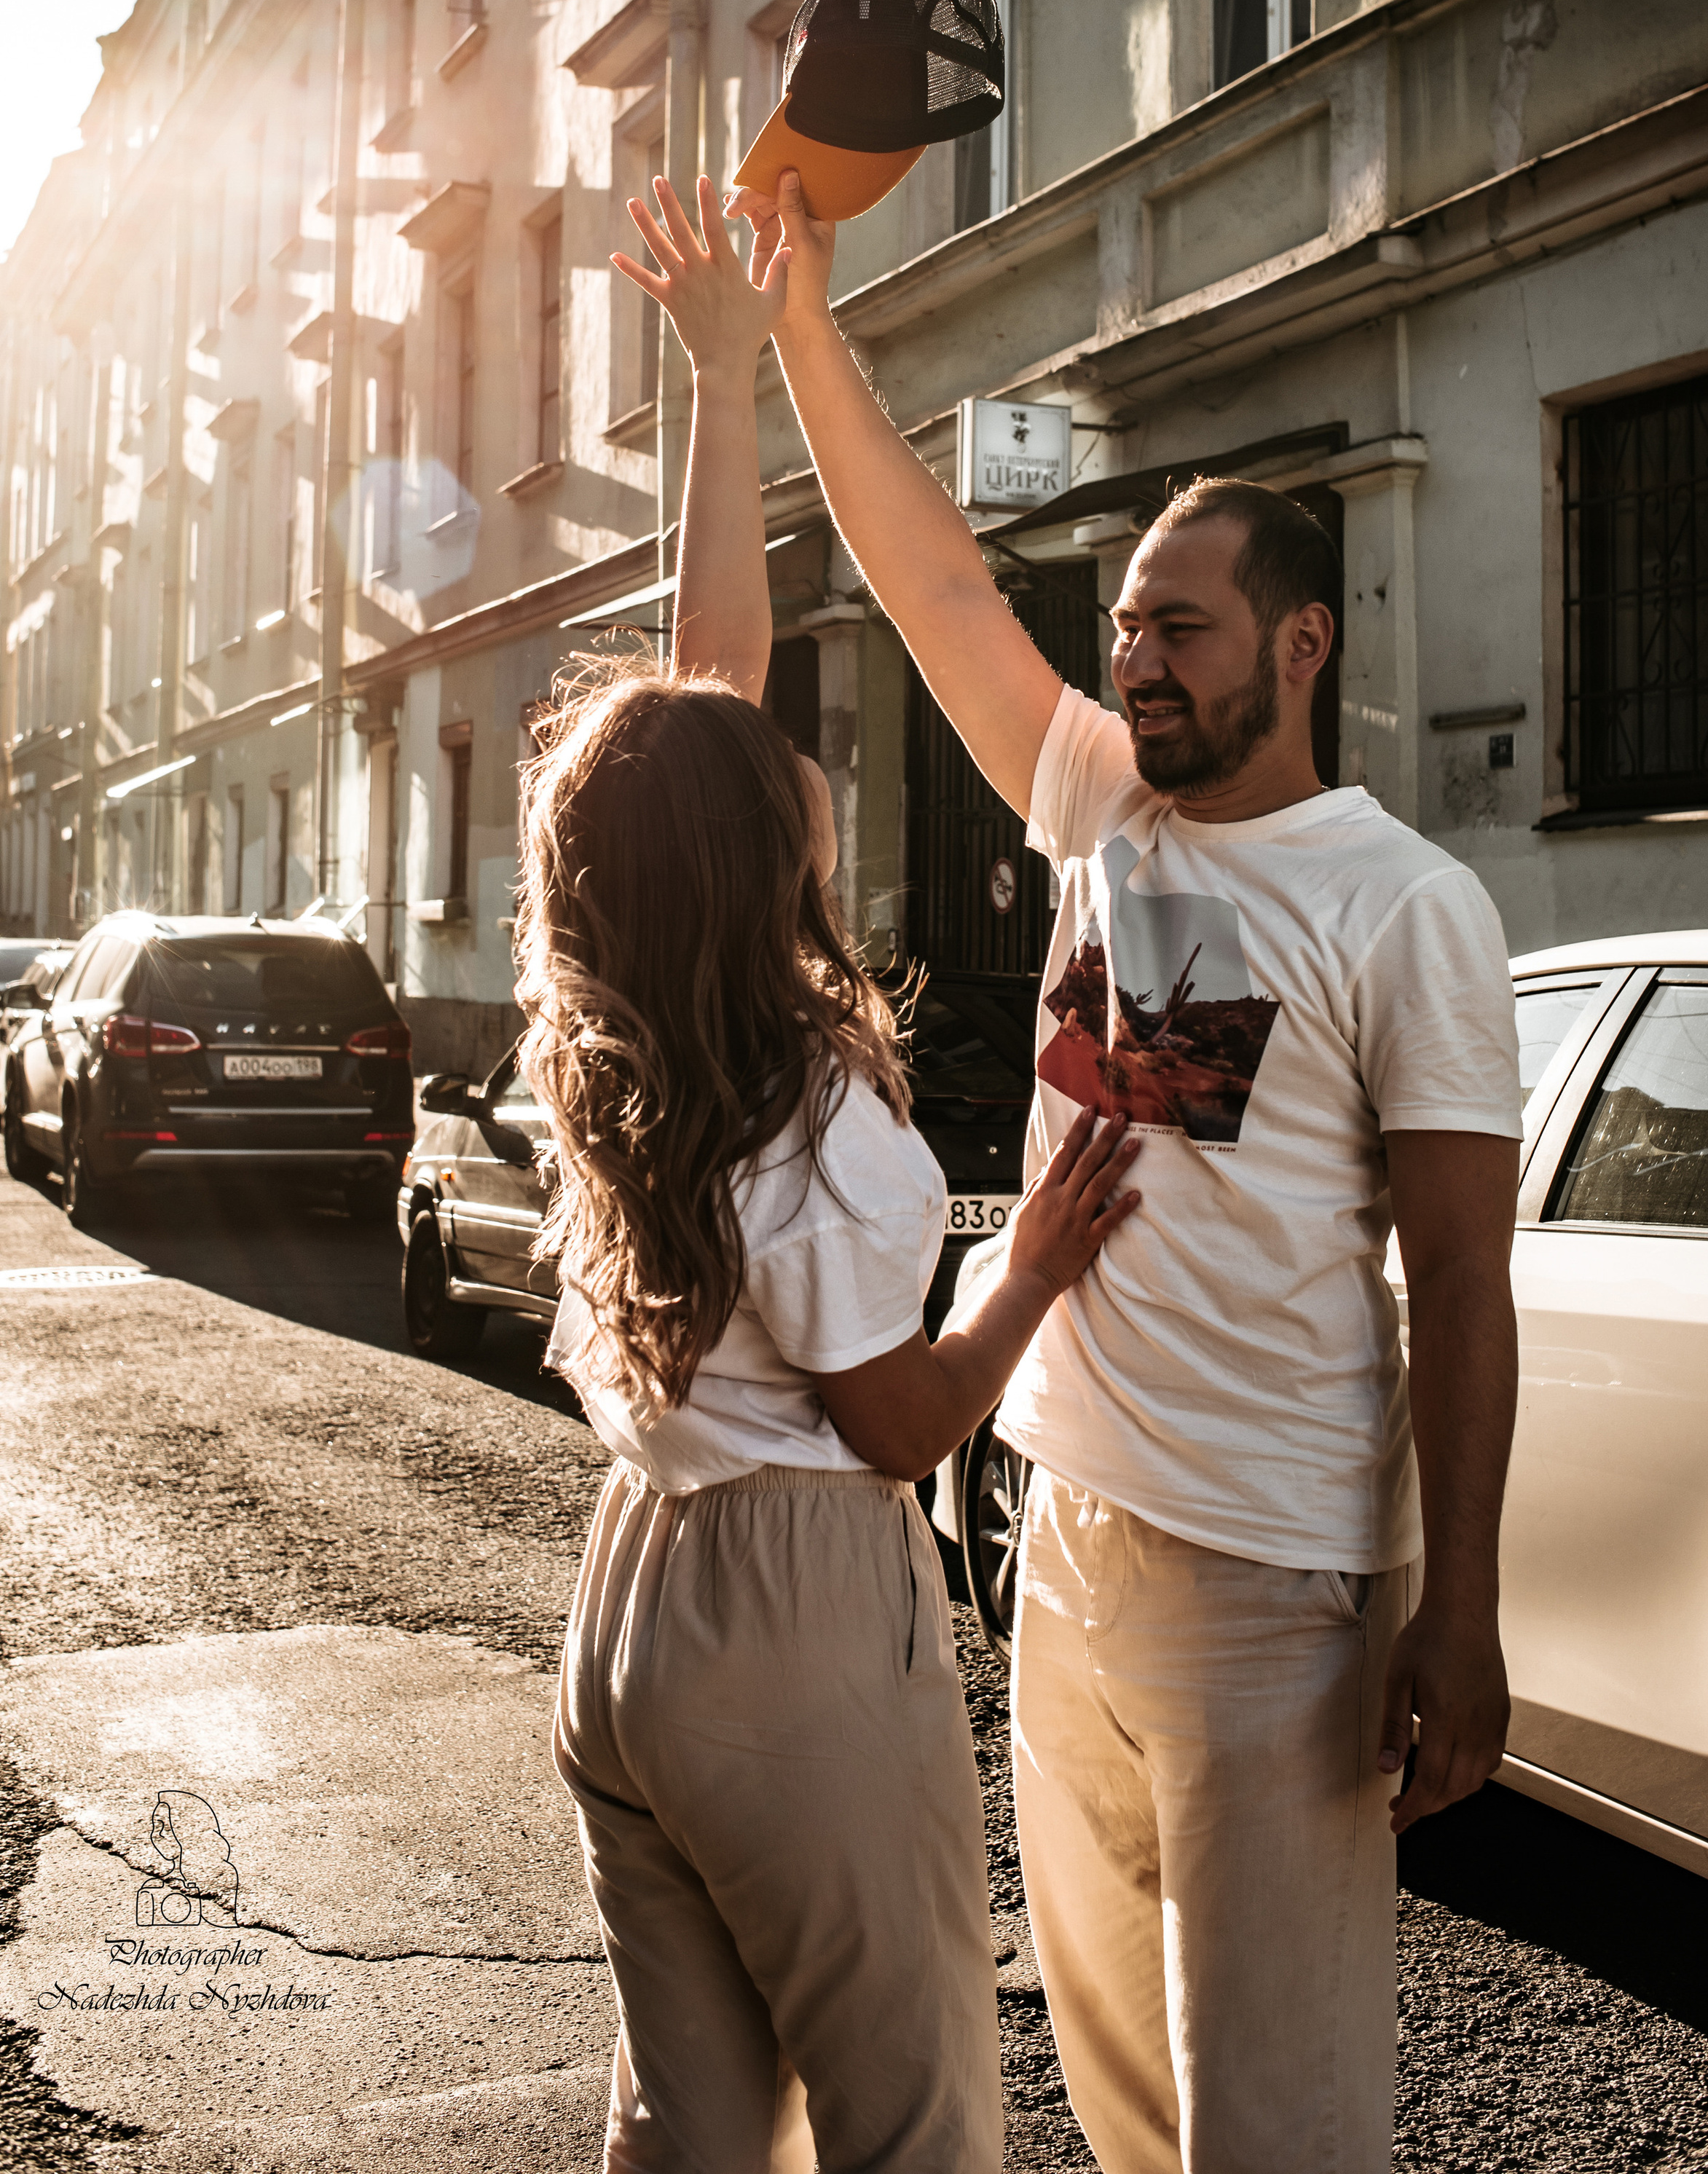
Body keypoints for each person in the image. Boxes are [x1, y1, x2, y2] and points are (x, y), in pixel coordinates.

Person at [704, 165, 1525, 2174]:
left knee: (1282, 2117)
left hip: (1278, 1581)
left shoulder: (1407, 908)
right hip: (1065, 1542)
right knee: (1128, 2106)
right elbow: (936, 590)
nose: (1136, 656)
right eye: (1130, 622)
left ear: (1303, 642)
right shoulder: (1104, 810)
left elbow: (1458, 1283)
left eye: (1183, 624)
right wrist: (801, 320)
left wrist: (1464, 1607)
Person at [522, 173, 1143, 2174]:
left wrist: (726, 378)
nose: (801, 754)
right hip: (795, 1600)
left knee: (687, 2134)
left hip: (633, 1608)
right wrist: (1030, 1265)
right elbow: (890, 1420)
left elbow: (708, 669)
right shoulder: (796, 1080)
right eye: (780, 765)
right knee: (914, 2125)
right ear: (744, 847)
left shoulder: (633, 1031)